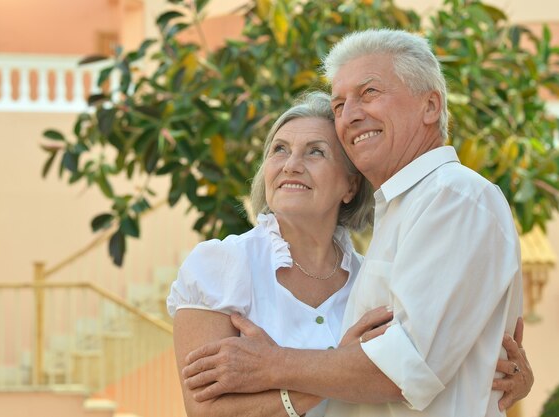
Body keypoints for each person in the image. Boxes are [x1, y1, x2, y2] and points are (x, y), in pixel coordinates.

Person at [179, 29, 530, 417]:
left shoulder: (452, 197)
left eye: (369, 93)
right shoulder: (401, 212)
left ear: (431, 106)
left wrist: (272, 363)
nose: (351, 114)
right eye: (340, 103)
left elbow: (405, 368)